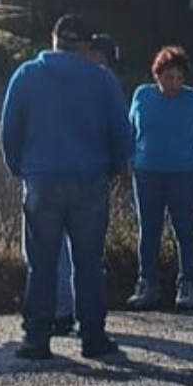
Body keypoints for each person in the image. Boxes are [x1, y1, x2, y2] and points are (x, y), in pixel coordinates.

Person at [0, 14, 133, 360]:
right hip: (89, 178)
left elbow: (10, 128)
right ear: (87, 47)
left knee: (41, 263)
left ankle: (37, 338)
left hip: (42, 178)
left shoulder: (27, 75)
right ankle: (92, 336)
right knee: (88, 262)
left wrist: (19, 168)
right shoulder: (102, 81)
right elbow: (121, 131)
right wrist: (115, 166)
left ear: (53, 39)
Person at [126, 45, 193, 312]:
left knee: (184, 230)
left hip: (183, 174)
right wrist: (129, 157)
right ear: (157, 75)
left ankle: (188, 285)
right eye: (169, 77)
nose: (174, 84)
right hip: (147, 172)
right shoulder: (142, 96)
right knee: (148, 230)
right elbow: (129, 129)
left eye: (179, 78)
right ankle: (147, 283)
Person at [52, 32, 123, 338]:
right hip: (86, 176)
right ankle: (80, 318)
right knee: (79, 255)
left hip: (68, 175)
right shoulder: (100, 84)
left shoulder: (95, 83)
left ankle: (68, 314)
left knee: (69, 254)